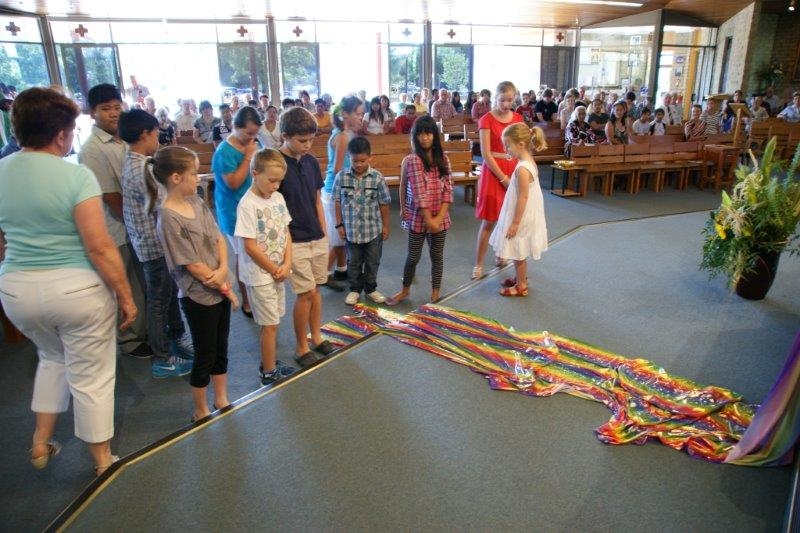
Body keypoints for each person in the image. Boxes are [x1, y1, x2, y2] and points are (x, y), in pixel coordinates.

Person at [0, 87, 135, 475]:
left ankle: (40, 441)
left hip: (16, 290)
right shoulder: (75, 175)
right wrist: (125, 295)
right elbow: (99, 247)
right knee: (92, 375)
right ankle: (102, 459)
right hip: (75, 289)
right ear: (61, 134)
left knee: (51, 358)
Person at [155, 146, 237, 423]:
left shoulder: (197, 202)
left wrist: (223, 269)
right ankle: (200, 408)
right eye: (193, 173)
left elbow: (218, 238)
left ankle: (221, 397)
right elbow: (192, 265)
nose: (198, 178)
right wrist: (223, 286)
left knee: (221, 345)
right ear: (176, 178)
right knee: (205, 351)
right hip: (198, 295)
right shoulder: (168, 216)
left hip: (219, 284)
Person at [119, 109, 194, 378]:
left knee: (167, 294)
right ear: (145, 135)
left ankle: (176, 339)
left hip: (148, 242)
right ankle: (162, 357)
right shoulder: (143, 168)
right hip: (154, 244)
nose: (157, 140)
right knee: (159, 300)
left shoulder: (131, 162)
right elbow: (164, 204)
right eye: (155, 134)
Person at [79, 83, 151, 358]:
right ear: (92, 112)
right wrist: (137, 223)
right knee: (126, 284)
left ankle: (143, 331)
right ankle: (129, 340)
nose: (113, 113)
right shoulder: (92, 149)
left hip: (133, 226)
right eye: (105, 108)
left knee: (140, 283)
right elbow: (110, 196)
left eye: (117, 107)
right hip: (116, 229)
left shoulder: (122, 140)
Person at [277, 107, 337, 366]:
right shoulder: (276, 164)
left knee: (316, 290)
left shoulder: (310, 161)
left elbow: (316, 200)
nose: (308, 145)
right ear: (285, 136)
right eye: (302, 140)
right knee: (305, 293)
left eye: (311, 139)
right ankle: (301, 347)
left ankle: (317, 335)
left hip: (316, 235)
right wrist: (286, 246)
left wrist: (324, 232)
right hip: (294, 238)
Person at [234, 148, 297, 386]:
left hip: (278, 272)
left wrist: (287, 263)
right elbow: (249, 246)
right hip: (260, 276)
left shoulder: (278, 198)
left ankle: (269, 362)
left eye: (280, 181)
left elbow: (286, 232)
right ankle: (268, 372)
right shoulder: (247, 204)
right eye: (272, 180)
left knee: (275, 320)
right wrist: (274, 269)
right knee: (269, 324)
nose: (276, 186)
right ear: (255, 173)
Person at [387, 116, 453, 305]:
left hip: (440, 217)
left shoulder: (444, 159)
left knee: (436, 255)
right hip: (418, 217)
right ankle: (405, 289)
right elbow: (417, 191)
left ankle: (435, 292)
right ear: (414, 137)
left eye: (428, 133)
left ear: (435, 135)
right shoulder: (413, 160)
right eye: (420, 134)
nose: (424, 138)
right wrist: (404, 207)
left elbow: (448, 190)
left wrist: (438, 219)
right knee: (413, 256)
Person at [212, 106, 263, 318]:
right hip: (233, 212)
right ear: (235, 126)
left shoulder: (252, 144)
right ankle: (247, 302)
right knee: (243, 256)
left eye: (255, 133)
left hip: (252, 207)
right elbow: (233, 183)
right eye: (249, 133)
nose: (252, 138)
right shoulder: (224, 152)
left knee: (256, 254)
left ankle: (257, 294)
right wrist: (248, 156)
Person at [488, 123, 548, 297]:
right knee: (518, 247)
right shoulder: (528, 161)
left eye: (508, 145)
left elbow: (523, 197)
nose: (506, 149)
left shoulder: (522, 168)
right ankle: (520, 277)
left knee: (517, 249)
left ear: (521, 144)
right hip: (527, 212)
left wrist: (515, 223)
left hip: (521, 215)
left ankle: (521, 286)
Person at [473, 81, 523, 280]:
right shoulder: (486, 119)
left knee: (509, 216)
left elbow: (522, 147)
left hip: (513, 167)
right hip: (494, 171)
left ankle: (501, 254)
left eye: (510, 100)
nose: (506, 104)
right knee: (490, 220)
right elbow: (485, 153)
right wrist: (503, 178)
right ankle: (478, 264)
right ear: (495, 98)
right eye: (502, 100)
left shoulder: (517, 118)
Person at [333, 136, 391, 305]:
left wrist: (386, 226)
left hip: (373, 230)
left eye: (362, 160)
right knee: (353, 262)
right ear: (349, 157)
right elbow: (337, 201)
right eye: (354, 160)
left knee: (373, 262)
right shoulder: (341, 177)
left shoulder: (377, 178)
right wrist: (339, 225)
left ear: (370, 157)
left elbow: (384, 204)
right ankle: (355, 289)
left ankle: (371, 289)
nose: (358, 164)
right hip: (351, 231)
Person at [324, 96, 365, 292]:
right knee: (338, 237)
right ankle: (323, 274)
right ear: (346, 114)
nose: (361, 118)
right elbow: (338, 169)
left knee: (340, 236)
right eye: (358, 114)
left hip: (339, 190)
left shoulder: (347, 134)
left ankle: (341, 269)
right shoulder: (342, 137)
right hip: (335, 192)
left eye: (362, 114)